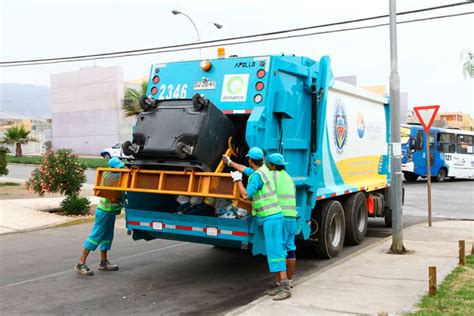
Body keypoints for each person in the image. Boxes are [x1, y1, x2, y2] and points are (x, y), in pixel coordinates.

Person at [223, 147, 291, 301]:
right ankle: (279, 283)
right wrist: (231, 163)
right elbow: (247, 170)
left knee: (275, 251)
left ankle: (285, 287)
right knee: (276, 249)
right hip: (274, 216)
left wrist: (237, 180)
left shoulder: (256, 178)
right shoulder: (264, 170)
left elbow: (246, 195)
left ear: (250, 159)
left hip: (271, 218)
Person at [75, 157, 125, 276]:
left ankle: (104, 262)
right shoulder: (111, 178)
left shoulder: (118, 177)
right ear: (112, 168)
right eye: (119, 167)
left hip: (110, 212)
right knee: (96, 236)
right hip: (104, 212)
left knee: (107, 237)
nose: (121, 169)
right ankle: (80, 263)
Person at [266, 153, 297, 294]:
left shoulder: (273, 176)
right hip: (292, 217)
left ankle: (281, 283)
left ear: (272, 165)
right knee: (290, 248)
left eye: (268, 164)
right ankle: (289, 281)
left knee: (280, 250)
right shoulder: (289, 178)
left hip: (281, 218)